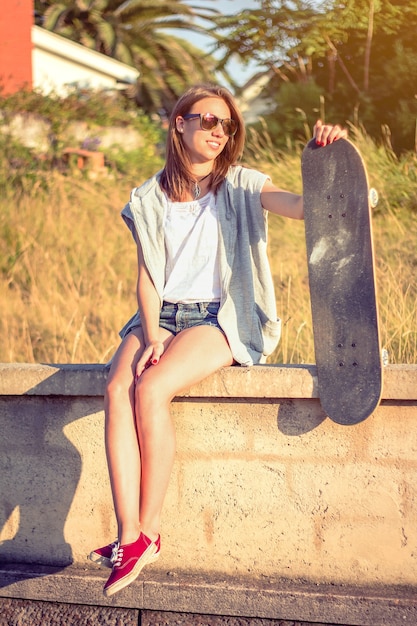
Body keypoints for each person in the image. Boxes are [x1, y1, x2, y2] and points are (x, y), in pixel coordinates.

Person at [88, 83, 347, 597]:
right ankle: (128, 536)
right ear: (179, 123)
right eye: (206, 120)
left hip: (218, 317)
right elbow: (147, 275)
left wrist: (329, 158)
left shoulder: (243, 185)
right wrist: (152, 330)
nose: (217, 131)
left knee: (151, 389)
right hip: (159, 314)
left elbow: (300, 206)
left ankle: (151, 531)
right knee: (117, 388)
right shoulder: (147, 196)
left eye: (225, 125)